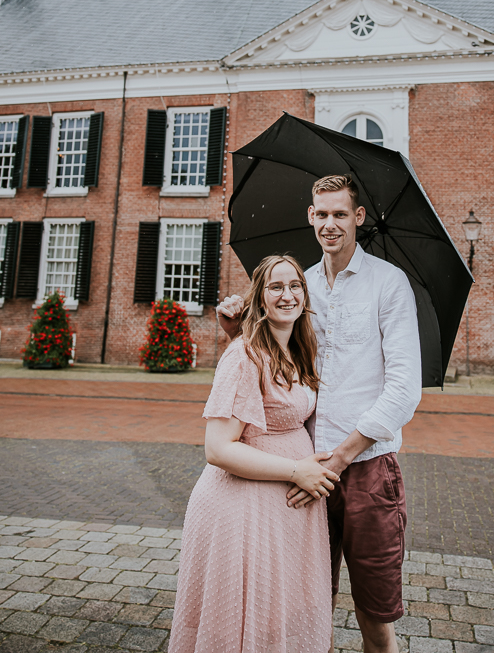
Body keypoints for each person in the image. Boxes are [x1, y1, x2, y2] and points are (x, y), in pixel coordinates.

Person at [218, 174, 421, 653]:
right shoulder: (298, 286)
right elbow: (273, 366)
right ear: (311, 217)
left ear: (358, 218)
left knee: (376, 618)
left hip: (368, 468)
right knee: (307, 608)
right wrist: (236, 331)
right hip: (305, 470)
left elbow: (404, 390)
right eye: (321, 214)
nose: (330, 224)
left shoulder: (388, 284)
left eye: (340, 214)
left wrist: (343, 456)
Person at [169, 254, 338, 653]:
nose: (287, 295)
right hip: (243, 513)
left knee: (273, 622)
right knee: (241, 627)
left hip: (284, 514)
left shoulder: (298, 351)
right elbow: (217, 448)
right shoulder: (243, 355)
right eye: (276, 287)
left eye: (295, 285)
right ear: (259, 299)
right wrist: (297, 469)